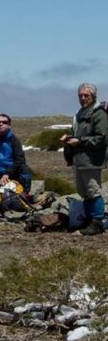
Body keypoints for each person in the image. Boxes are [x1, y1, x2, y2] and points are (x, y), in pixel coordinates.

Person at [61, 83, 108, 235]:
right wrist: (69, 139)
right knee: (84, 191)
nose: (82, 98)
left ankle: (97, 222)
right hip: (80, 160)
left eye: (86, 95)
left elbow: (101, 138)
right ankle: (89, 220)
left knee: (93, 190)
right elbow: (79, 134)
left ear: (93, 96)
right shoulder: (79, 114)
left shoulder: (99, 114)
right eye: (80, 95)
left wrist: (80, 141)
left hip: (92, 160)